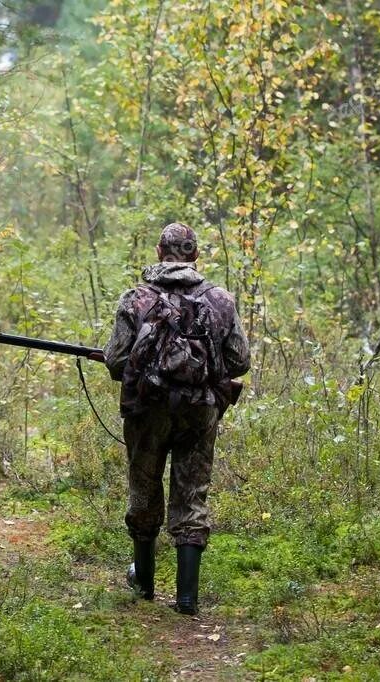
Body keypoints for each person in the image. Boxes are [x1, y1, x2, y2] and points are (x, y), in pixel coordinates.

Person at [102, 222, 251, 615]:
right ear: (195, 255)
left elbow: (117, 362)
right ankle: (187, 599)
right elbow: (240, 361)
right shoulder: (221, 300)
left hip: (146, 411)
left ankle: (144, 587)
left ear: (158, 251)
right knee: (192, 493)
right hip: (200, 412)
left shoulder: (135, 298)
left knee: (144, 489)